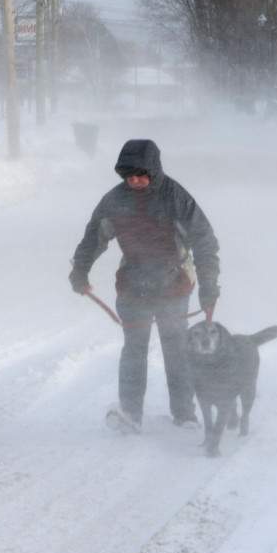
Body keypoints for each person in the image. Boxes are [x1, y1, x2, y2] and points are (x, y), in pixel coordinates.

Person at [69, 139, 220, 431]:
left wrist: (208, 284)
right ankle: (130, 413)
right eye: (129, 176)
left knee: (175, 348)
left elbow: (204, 240)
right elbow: (93, 238)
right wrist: (80, 271)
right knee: (134, 348)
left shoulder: (175, 197)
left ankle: (185, 414)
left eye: (141, 175)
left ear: (154, 172)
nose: (135, 181)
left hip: (173, 283)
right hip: (133, 284)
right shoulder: (115, 200)